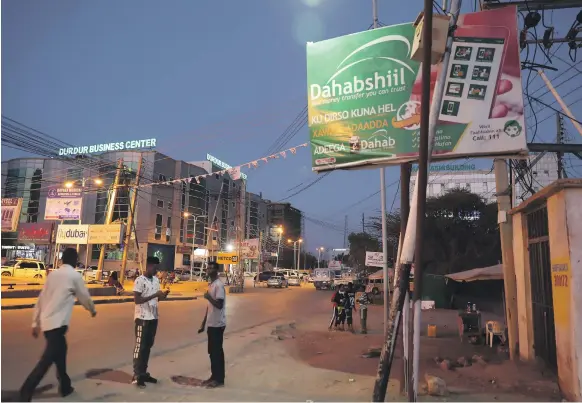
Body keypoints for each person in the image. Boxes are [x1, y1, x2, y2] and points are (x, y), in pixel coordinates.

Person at [19, 248, 97, 402]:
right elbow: (84, 296)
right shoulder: (74, 276)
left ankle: (65, 387)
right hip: (56, 326)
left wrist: (36, 322)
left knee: (61, 353)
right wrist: (92, 309)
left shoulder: (53, 275)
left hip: (48, 324)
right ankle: (25, 391)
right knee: (47, 360)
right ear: (75, 261)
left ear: (62, 260)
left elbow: (41, 299)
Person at [132, 256, 169, 388]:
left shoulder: (156, 281)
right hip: (142, 318)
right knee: (140, 347)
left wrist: (163, 296)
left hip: (153, 318)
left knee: (148, 346)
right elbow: (137, 300)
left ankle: (143, 373)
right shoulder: (139, 281)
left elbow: (157, 300)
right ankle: (136, 375)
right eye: (155, 267)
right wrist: (154, 295)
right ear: (148, 266)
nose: (156, 269)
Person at [202, 261, 226, 388]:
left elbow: (219, 304)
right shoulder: (211, 285)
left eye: (211, 268)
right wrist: (203, 323)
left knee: (217, 352)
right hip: (211, 324)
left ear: (216, 271)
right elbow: (209, 307)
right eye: (208, 268)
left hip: (218, 325)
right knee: (211, 352)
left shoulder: (218, 285)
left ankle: (219, 379)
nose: (209, 270)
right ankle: (214, 376)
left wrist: (208, 297)